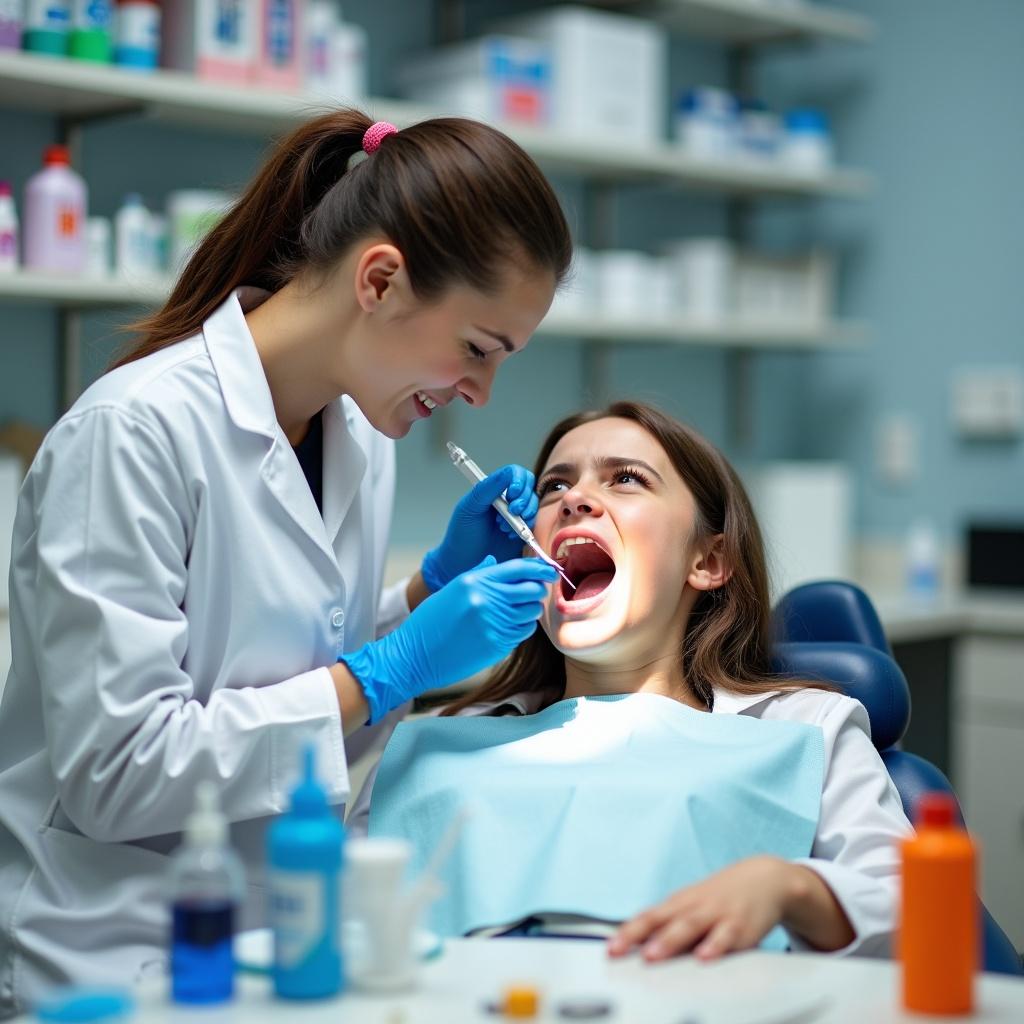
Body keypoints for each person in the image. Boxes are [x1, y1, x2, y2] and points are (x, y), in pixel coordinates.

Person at [0, 109, 571, 1014]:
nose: (479, 392)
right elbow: (119, 771)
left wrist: (423, 593)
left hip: (288, 937)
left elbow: (288, 661)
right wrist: (394, 666)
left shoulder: (359, 431)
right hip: (114, 952)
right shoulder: (134, 434)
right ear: (379, 279)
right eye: (477, 348)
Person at [351, 401, 914, 961]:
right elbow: (335, 920)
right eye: (553, 488)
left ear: (708, 560)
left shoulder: (804, 731)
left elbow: (916, 911)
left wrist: (788, 887)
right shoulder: (434, 745)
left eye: (626, 479)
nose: (573, 499)